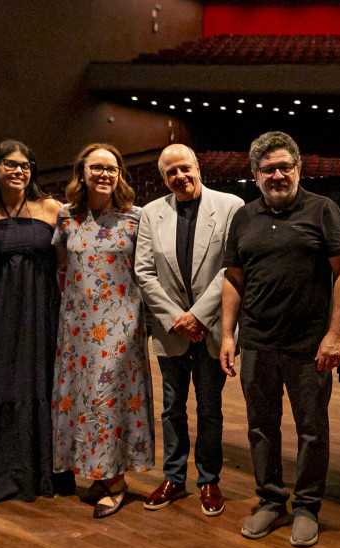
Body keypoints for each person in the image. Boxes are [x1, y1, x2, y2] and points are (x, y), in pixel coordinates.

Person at [220, 131, 340, 547]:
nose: (278, 175)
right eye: (268, 169)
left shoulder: (322, 210)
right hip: (258, 343)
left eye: (285, 167)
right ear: (255, 175)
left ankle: (307, 507)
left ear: (298, 169)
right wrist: (227, 334)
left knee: (312, 430)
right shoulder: (244, 217)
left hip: (307, 346)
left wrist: (336, 334)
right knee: (262, 428)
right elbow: (233, 278)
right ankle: (270, 501)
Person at [135, 144, 244, 516]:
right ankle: (173, 477)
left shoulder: (230, 206)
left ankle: (209, 479)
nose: (179, 177)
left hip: (212, 326)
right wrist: (176, 319)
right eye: (171, 173)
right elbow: (144, 272)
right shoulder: (151, 213)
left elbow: (232, 267)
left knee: (210, 409)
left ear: (198, 167)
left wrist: (198, 315)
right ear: (163, 178)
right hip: (171, 331)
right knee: (171, 408)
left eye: (185, 168)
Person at [52, 143, 154, 519]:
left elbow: (145, 270)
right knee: (82, 399)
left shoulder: (135, 218)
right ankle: (98, 471)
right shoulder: (66, 217)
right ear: (82, 172)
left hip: (121, 327)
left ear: (120, 173)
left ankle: (116, 481)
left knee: (111, 399)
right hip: (77, 326)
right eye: (97, 167)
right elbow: (62, 267)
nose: (105, 174)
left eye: (112, 168)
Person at [0, 140, 66, 502]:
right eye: (10, 164)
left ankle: (45, 470)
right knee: (0, 381)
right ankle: (3, 471)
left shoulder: (51, 208)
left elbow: (63, 260)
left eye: (26, 165)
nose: (19, 170)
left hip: (42, 308)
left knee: (42, 381)